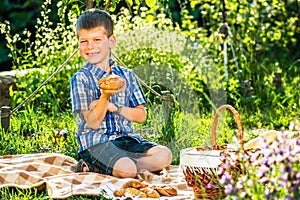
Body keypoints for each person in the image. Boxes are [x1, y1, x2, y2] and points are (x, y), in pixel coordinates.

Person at [70, 9, 172, 178]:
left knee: (164, 155)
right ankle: (95, 165)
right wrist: (105, 96)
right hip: (96, 144)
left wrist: (114, 107)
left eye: (97, 40)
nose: (90, 47)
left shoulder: (127, 76)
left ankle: (125, 167)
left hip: (127, 140)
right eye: (84, 41)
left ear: (111, 41)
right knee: (127, 167)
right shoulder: (80, 79)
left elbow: (141, 116)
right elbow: (93, 123)